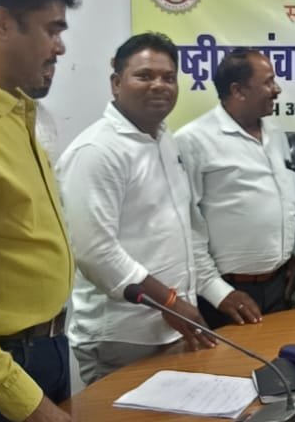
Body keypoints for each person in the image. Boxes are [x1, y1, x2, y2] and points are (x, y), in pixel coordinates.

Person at [57, 33, 228, 384]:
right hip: (122, 337)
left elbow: (186, 230)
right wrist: (169, 301)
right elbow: (94, 252)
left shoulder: (165, 140)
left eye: (168, 77)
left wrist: (216, 292)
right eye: (145, 75)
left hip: (174, 328)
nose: (159, 85)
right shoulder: (96, 151)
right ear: (116, 83)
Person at [0, 0, 80, 422]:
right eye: (51, 29)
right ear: (3, 24)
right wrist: (23, 401)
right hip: (1, 374)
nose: (60, 47)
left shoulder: (19, 113)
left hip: (43, 350)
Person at [176, 48, 295, 326]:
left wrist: (289, 255)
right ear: (238, 90)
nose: (277, 89)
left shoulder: (276, 134)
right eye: (268, 82)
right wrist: (218, 292)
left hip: (280, 285)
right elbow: (186, 227)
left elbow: (284, 200)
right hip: (227, 295)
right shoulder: (193, 140)